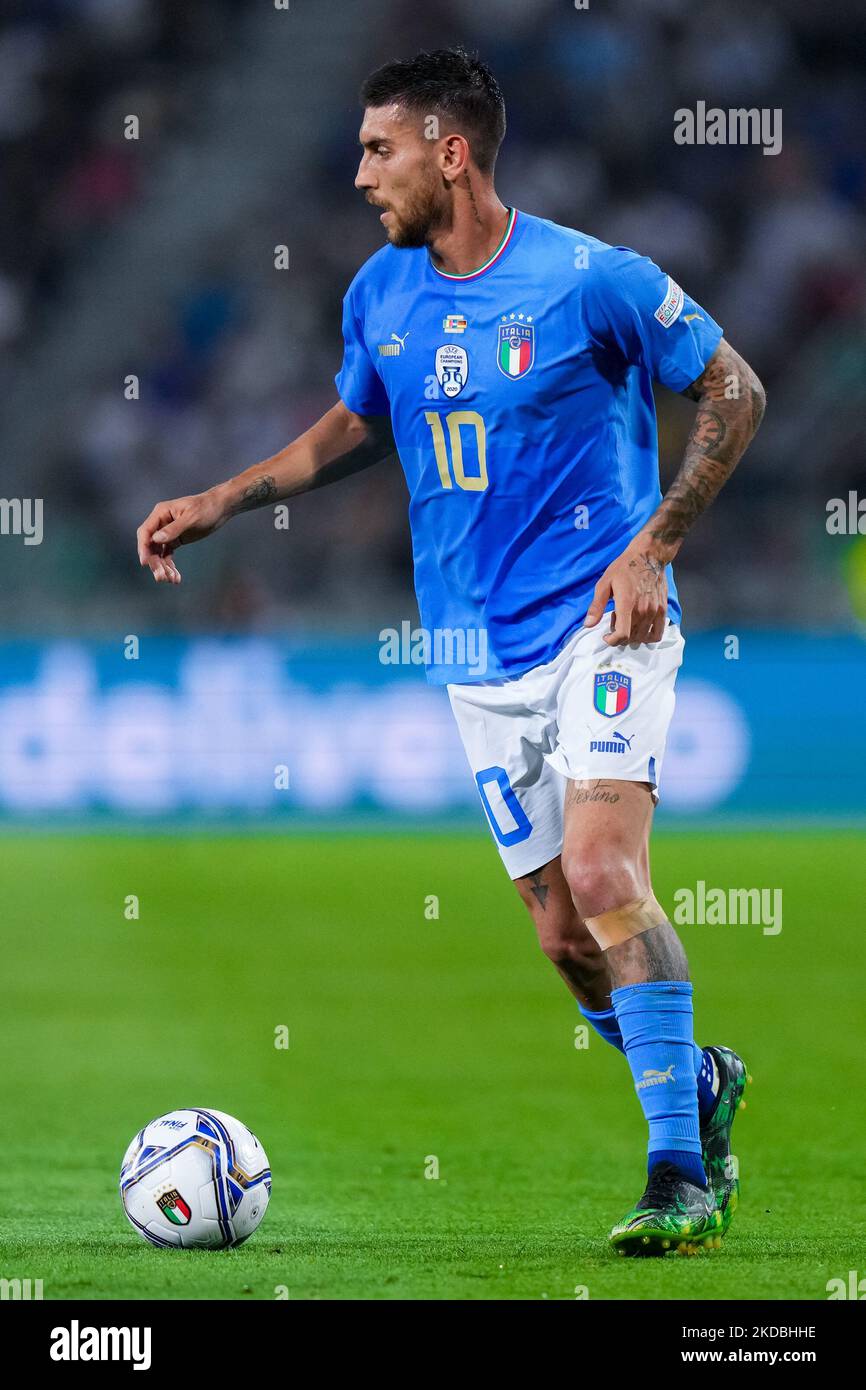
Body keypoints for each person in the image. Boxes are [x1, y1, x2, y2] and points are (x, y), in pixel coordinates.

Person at [137, 46, 763, 1255]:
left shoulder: (594, 280)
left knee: (599, 876)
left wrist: (653, 548)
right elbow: (364, 420)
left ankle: (680, 1172)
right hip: (474, 657)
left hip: (602, 625)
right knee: (558, 939)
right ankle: (694, 1076)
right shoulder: (380, 288)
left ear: (450, 149)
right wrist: (226, 497)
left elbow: (731, 391)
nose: (360, 171)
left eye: (379, 148)